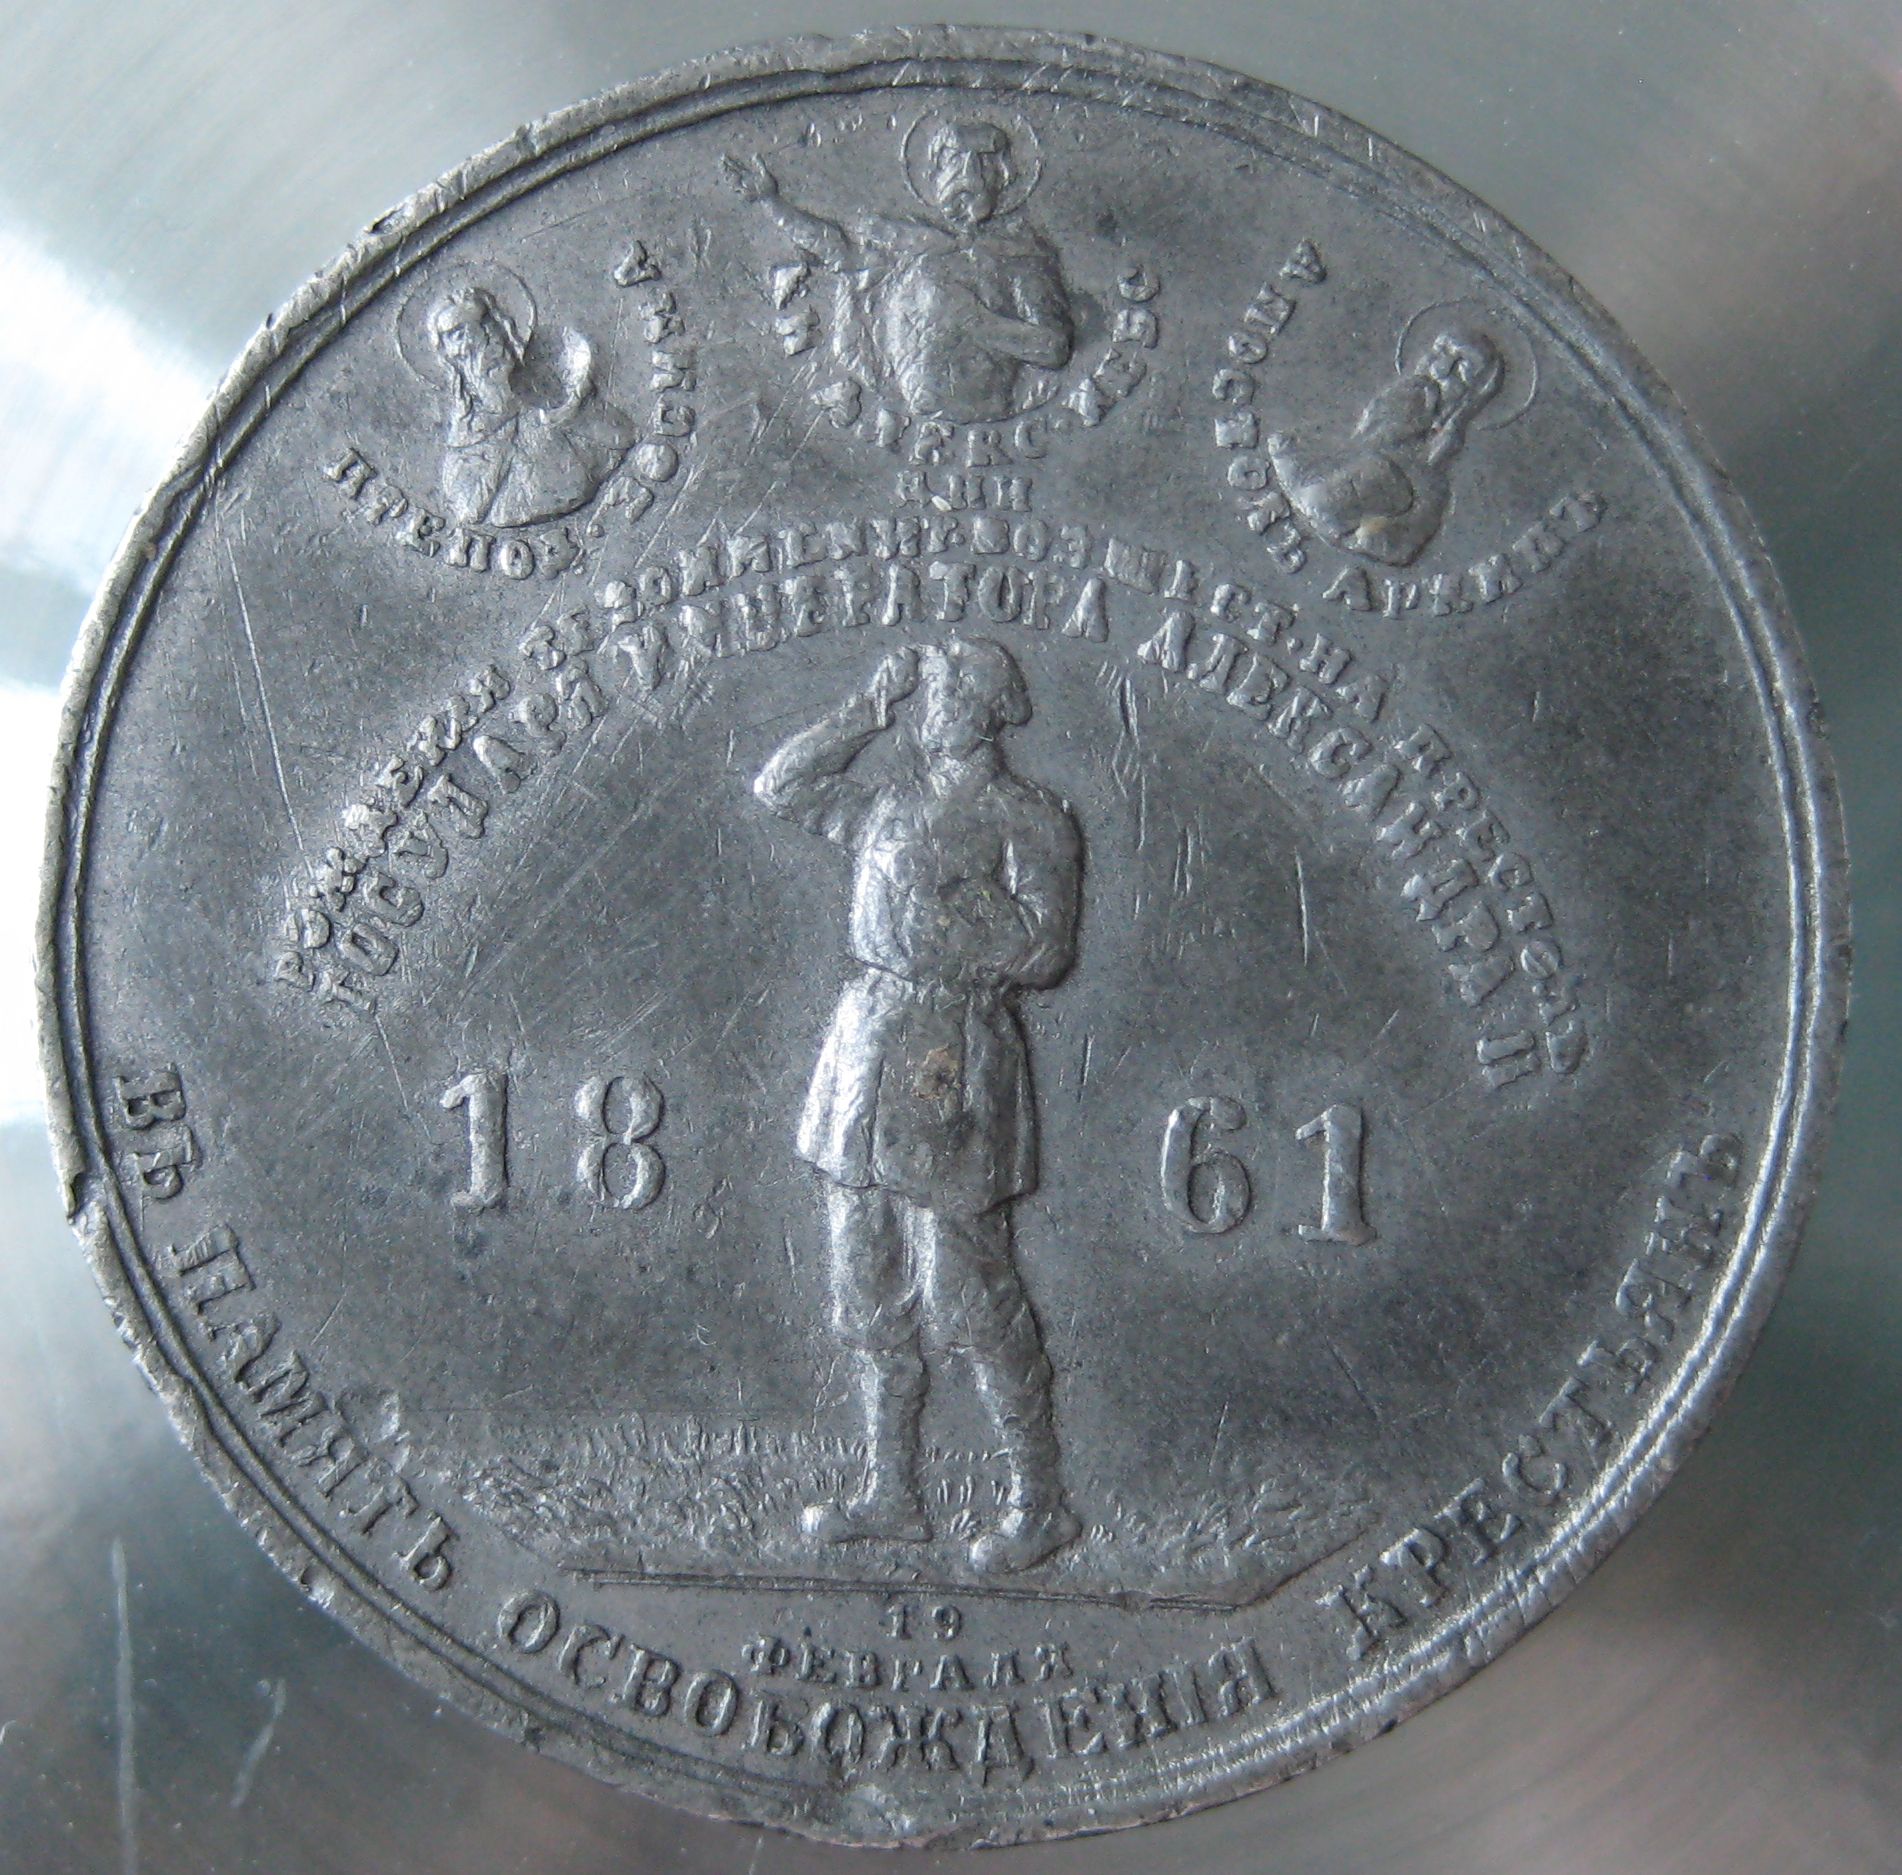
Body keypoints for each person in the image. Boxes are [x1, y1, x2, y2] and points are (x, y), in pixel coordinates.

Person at [752, 638, 1083, 1574]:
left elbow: (1046, 951)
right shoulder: (887, 805)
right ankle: (891, 1493)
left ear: (991, 705)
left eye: (946, 691)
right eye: (927, 691)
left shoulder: (1030, 818)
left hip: (951, 1050)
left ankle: (1040, 1502)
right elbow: (781, 785)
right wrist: (863, 711)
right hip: (866, 1044)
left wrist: (958, 911)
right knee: (865, 1288)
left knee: (967, 1293)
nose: (930, 706)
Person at [726, 119, 1074, 423]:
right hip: (901, 406)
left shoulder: (1020, 258)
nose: (969, 175)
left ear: (1004, 176)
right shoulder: (899, 239)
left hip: (991, 411)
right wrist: (771, 204)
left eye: (983, 163)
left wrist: (972, 320)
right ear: (934, 173)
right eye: (954, 160)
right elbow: (834, 248)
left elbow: (1053, 348)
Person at [1268, 321, 1506, 567]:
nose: (1441, 368)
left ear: (1471, 398)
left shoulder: (1431, 485)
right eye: (1439, 352)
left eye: (1461, 370)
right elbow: (1281, 448)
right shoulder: (1305, 445)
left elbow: (1401, 548)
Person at [426, 284, 637, 528]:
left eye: (488, 325)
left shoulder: (560, 400)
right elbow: (470, 513)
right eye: (462, 335)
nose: (489, 344)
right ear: (454, 364)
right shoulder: (464, 450)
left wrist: (573, 410)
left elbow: (624, 438)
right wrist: (502, 447)